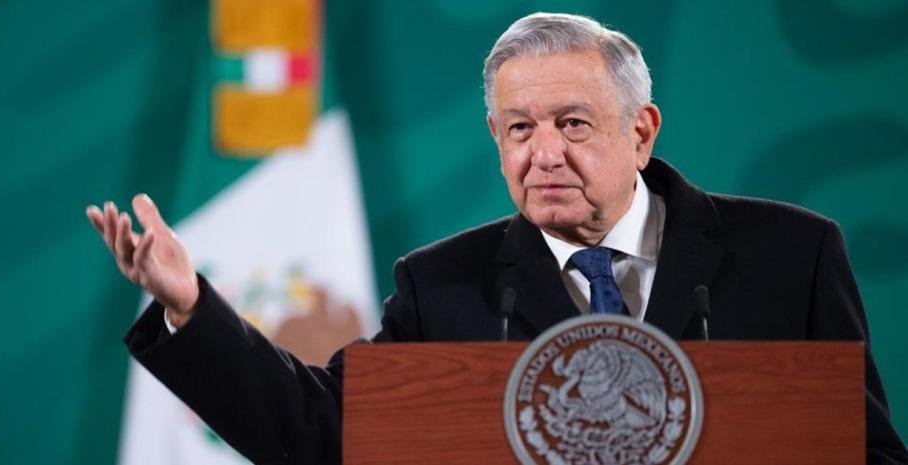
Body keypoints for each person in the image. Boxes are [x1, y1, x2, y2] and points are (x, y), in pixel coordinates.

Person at [87, 12, 907, 465]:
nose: (542, 153)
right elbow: (323, 434)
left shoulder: (791, 255)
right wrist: (190, 306)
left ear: (641, 132)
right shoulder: (443, 286)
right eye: (519, 128)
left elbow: (867, 452)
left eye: (572, 123)